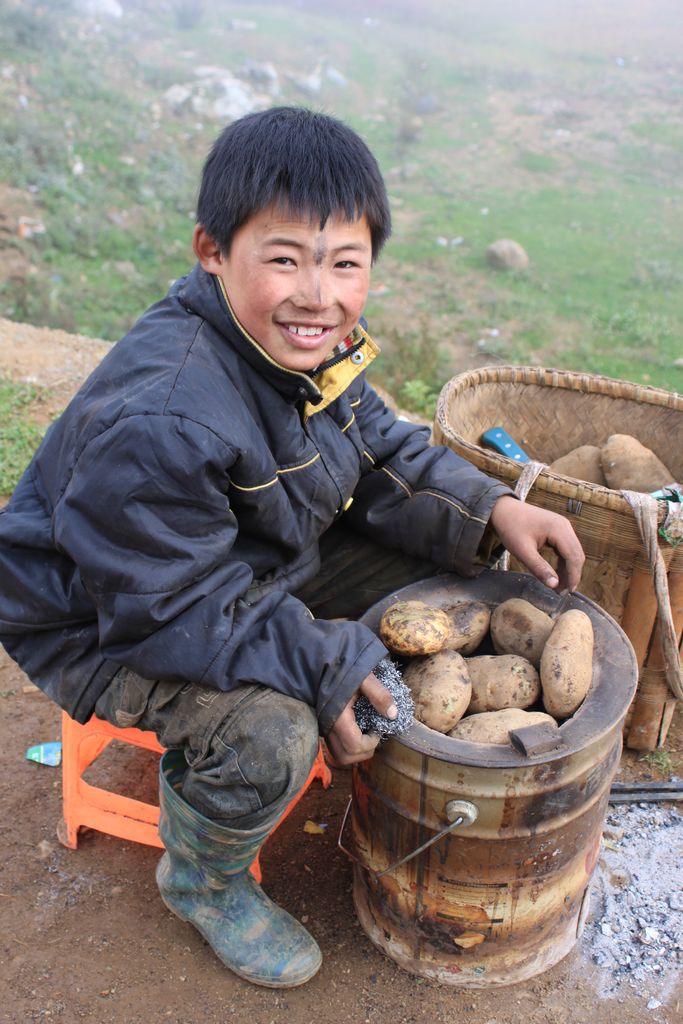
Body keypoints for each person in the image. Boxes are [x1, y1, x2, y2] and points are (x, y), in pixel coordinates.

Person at [0, 106, 584, 988]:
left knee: (445, 588)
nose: (318, 293)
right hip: (105, 616)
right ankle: (201, 880)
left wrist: (491, 509)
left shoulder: (310, 343)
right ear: (212, 250)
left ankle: (340, 690)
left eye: (345, 264)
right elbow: (171, 608)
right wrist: (318, 661)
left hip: (245, 564)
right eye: (284, 259)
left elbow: (378, 443)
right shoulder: (164, 415)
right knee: (272, 732)